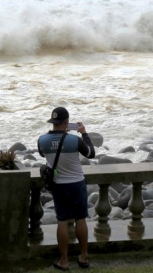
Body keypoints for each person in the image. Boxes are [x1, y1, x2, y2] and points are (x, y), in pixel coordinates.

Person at [37, 107, 96, 270]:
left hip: (58, 185)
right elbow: (91, 153)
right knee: (80, 219)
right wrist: (84, 133)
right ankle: (84, 257)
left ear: (52, 122)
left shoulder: (42, 140)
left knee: (62, 221)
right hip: (77, 184)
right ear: (66, 123)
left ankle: (64, 260)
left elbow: (42, 154)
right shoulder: (75, 140)